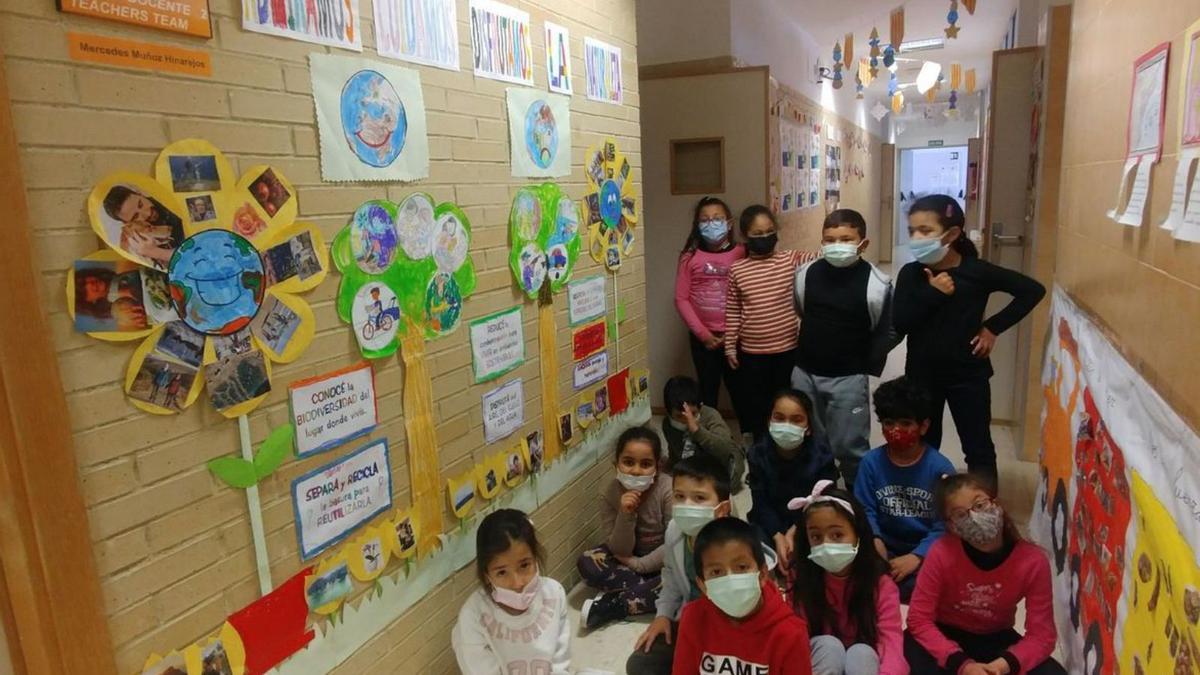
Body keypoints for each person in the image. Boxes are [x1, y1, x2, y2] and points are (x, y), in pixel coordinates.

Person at [893, 195, 1046, 490]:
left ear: (951, 234)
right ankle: (927, 502)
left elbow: (1032, 290)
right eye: (912, 231)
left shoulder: (976, 271)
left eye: (925, 231)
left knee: (978, 447)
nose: (916, 238)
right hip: (922, 375)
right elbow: (901, 322)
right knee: (925, 442)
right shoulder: (911, 274)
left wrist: (992, 327)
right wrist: (933, 293)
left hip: (968, 376)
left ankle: (983, 512)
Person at [905, 473, 1064, 675]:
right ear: (952, 526)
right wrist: (963, 665)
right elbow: (919, 620)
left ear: (996, 504)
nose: (974, 516)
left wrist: (1004, 665)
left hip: (996, 639)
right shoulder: (940, 553)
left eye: (979, 505)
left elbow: (1042, 636)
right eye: (961, 514)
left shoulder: (1033, 561)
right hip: (945, 634)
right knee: (906, 655)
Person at [792, 208, 899, 488]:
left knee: (850, 447)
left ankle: (858, 498)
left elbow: (886, 329)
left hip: (848, 376)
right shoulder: (805, 274)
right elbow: (802, 311)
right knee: (810, 439)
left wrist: (864, 362)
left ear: (863, 244)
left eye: (846, 239)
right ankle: (820, 488)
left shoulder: (877, 284)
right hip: (805, 371)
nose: (836, 245)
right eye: (829, 239)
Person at [628, 454, 737, 675]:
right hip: (690, 623)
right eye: (679, 496)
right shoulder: (675, 530)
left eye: (699, 498)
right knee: (640, 664)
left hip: (732, 631)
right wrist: (663, 615)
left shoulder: (737, 546)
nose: (687, 505)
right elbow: (670, 577)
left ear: (723, 508)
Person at [787, 481, 907, 675]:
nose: (826, 543)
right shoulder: (801, 578)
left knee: (862, 653)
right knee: (827, 646)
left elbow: (890, 642)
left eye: (837, 534)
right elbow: (796, 637)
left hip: (864, 661)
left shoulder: (880, 583)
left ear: (858, 534)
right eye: (816, 537)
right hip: (820, 659)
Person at [854, 377, 955, 602]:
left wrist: (917, 556)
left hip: (925, 549)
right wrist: (875, 541)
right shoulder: (870, 462)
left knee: (937, 581)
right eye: (889, 423)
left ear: (924, 426)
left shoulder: (940, 468)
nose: (896, 430)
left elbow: (944, 525)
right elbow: (864, 511)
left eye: (906, 423)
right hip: (882, 546)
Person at [671, 517, 813, 674]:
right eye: (717, 572)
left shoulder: (791, 633)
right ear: (702, 585)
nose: (730, 579)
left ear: (763, 574)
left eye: (742, 567)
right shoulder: (693, 617)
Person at [724, 205, 817, 439]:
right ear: (745, 236)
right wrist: (729, 346)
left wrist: (843, 247)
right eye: (757, 234)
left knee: (786, 402)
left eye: (769, 231)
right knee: (757, 404)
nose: (765, 237)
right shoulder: (737, 270)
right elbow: (733, 310)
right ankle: (761, 447)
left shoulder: (790, 260)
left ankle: (788, 444)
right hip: (752, 353)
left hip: (787, 350)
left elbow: (821, 258)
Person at [452, 509, 570, 674]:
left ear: (536, 558)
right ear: (486, 575)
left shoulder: (553, 594)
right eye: (501, 572)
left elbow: (559, 664)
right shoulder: (473, 615)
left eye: (524, 565)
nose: (517, 583)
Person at [577, 427, 673, 630]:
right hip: (629, 558)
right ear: (616, 465)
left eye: (646, 464)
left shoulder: (668, 489)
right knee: (587, 562)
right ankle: (644, 591)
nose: (636, 470)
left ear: (658, 466)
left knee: (680, 581)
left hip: (663, 560)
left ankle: (617, 604)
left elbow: (675, 543)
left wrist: (640, 565)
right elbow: (619, 550)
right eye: (628, 462)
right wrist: (625, 512)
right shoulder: (609, 490)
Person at [747, 390, 838, 569]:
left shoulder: (822, 455)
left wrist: (796, 530)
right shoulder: (757, 454)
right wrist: (778, 536)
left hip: (809, 519)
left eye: (796, 420)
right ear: (769, 421)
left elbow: (823, 500)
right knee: (752, 551)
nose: (786, 425)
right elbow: (760, 502)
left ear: (809, 427)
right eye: (779, 418)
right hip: (769, 521)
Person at [674, 196, 746, 413]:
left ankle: (748, 438)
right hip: (703, 340)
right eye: (705, 220)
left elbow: (751, 295)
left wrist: (737, 331)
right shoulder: (690, 257)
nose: (711, 223)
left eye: (717, 218)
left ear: (729, 223)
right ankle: (710, 440)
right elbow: (681, 298)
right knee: (707, 392)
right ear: (697, 225)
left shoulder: (743, 253)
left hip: (738, 336)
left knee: (742, 391)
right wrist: (703, 334)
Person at [660, 376, 744, 491]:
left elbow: (726, 449)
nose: (686, 420)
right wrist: (669, 465)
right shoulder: (668, 424)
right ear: (668, 412)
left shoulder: (710, 416)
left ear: (700, 406)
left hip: (723, 467)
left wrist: (697, 431)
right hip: (694, 468)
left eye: (693, 413)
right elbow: (674, 448)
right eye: (680, 416)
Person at [101, 185, 185, 270]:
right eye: (135, 216)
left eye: (140, 204)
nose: (147, 213)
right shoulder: (132, 239)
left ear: (140, 194)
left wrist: (155, 252)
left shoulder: (171, 200)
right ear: (127, 223)